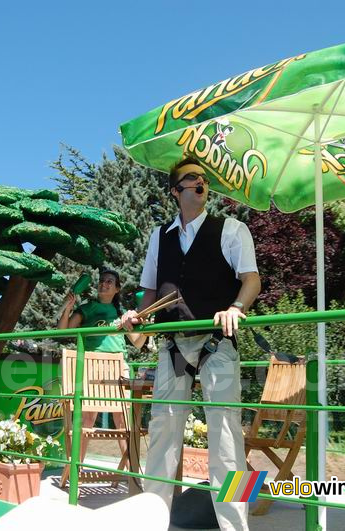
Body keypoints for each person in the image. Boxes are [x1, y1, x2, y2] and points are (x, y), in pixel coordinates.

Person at [121, 155, 261, 531]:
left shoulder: (233, 229)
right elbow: (149, 291)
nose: (201, 183)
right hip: (172, 346)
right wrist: (137, 316)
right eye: (192, 178)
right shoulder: (159, 236)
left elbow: (251, 281)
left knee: (228, 439)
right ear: (175, 191)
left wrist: (235, 307)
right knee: (162, 436)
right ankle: (152, 523)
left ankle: (236, 528)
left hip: (218, 344)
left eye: (203, 179)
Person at [57, 269, 145, 353]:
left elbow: (138, 343)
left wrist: (146, 324)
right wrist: (67, 309)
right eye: (101, 280)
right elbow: (63, 332)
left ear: (117, 289)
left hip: (118, 363)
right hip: (92, 361)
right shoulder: (85, 309)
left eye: (109, 281)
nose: (103, 283)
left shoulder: (122, 313)